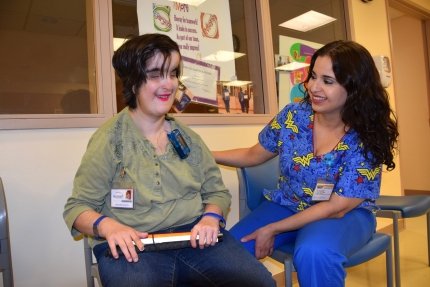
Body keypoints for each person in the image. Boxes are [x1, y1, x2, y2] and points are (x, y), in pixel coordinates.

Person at [63, 33, 275, 287]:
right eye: (155, 75)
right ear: (133, 82)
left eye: (173, 73)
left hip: (194, 238)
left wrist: (210, 217)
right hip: (136, 245)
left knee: (260, 283)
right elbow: (77, 208)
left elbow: (216, 192)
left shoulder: (187, 138)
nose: (169, 84)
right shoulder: (110, 140)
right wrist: (108, 227)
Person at [213, 40, 399, 287]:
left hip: (344, 214)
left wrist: (273, 228)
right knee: (226, 254)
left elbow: (337, 207)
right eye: (313, 76)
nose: (313, 87)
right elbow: (252, 155)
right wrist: (206, 153)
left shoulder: (367, 136)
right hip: (288, 203)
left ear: (354, 88)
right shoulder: (294, 116)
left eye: (327, 81)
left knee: (314, 253)